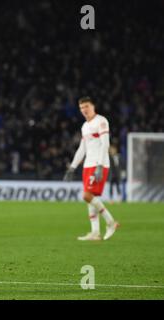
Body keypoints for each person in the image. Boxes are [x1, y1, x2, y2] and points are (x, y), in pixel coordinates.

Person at [64, 96, 119, 241]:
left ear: (93, 106)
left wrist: (100, 165)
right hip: (88, 165)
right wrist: (72, 167)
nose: (84, 110)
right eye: (82, 108)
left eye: (86, 106)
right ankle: (95, 232)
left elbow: (105, 144)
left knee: (86, 196)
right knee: (90, 197)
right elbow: (82, 148)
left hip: (98, 164)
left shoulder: (101, 121)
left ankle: (111, 222)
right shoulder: (85, 126)